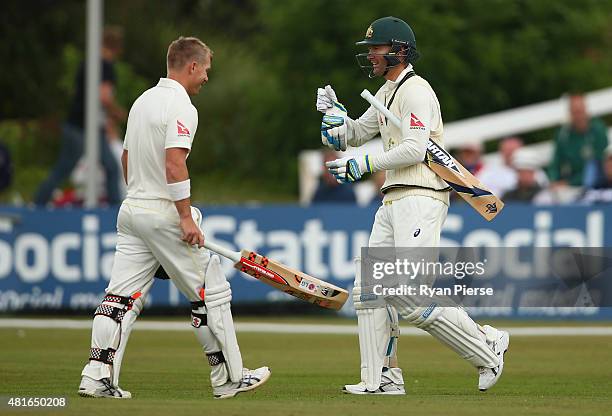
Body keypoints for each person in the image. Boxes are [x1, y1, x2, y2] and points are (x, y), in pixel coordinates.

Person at [316, 16, 509, 395]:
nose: (370, 55)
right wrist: (333, 115)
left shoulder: (417, 90)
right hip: (392, 199)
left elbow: (417, 148)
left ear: (399, 51)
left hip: (421, 196)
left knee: (408, 293)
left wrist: (365, 164)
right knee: (368, 288)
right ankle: (381, 378)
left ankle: (487, 346)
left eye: (376, 48)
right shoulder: (387, 92)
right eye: (369, 49)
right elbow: (355, 133)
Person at [77, 36, 270, 400]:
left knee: (118, 299)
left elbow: (125, 159)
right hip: (163, 212)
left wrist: (140, 196)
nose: (207, 79)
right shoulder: (182, 106)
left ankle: (96, 377)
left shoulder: (141, 101)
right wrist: (184, 217)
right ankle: (230, 377)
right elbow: (174, 162)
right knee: (211, 294)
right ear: (192, 66)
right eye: (206, 70)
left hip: (132, 209)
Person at [34, 27, 126, 206]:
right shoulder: (105, 66)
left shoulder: (87, 64)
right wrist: (118, 112)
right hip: (84, 127)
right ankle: (115, 214)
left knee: (66, 167)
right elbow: (104, 96)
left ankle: (38, 203)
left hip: (79, 123)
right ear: (116, 48)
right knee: (110, 168)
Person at [548, 94, 609, 189]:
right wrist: (553, 181)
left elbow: (600, 165)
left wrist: (569, 183)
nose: (578, 116)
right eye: (575, 112)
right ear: (570, 113)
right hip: (569, 185)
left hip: (596, 184)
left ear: (586, 109)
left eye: (580, 111)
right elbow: (555, 163)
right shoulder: (563, 134)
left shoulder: (598, 130)